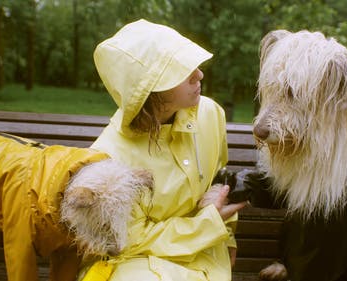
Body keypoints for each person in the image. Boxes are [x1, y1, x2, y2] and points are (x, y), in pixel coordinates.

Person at [84, 19, 247, 281]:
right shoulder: (108, 157)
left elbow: (220, 183)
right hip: (137, 263)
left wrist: (227, 238)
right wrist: (209, 223)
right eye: (181, 70)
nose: (199, 75)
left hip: (207, 256)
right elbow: (130, 241)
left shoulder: (209, 114)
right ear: (148, 90)